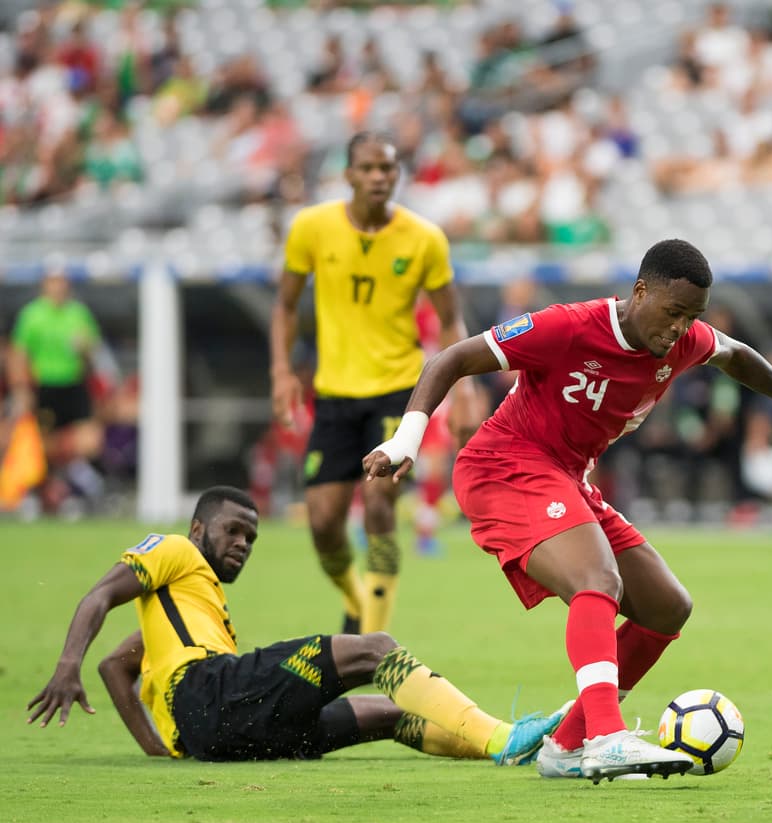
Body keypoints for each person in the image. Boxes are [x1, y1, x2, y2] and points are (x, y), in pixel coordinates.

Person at [363, 238, 772, 783]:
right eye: (672, 312)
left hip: (566, 477)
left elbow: (736, 355)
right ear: (640, 292)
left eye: (693, 317)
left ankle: (566, 747)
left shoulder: (684, 340)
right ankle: (607, 737)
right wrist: (407, 438)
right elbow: (451, 358)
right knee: (597, 578)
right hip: (505, 466)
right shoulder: (567, 326)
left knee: (667, 607)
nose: (681, 329)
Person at [27, 485, 565, 763]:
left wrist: (161, 748)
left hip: (221, 730)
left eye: (251, 539)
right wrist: (65, 665)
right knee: (372, 648)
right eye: (233, 531)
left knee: (383, 714)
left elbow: (117, 667)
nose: (242, 544)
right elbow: (99, 596)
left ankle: (527, 751)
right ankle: (500, 737)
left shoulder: (190, 607)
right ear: (197, 528)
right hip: (211, 692)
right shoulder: (172, 550)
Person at [270, 131, 481, 635]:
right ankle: (358, 600)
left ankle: (373, 639)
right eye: (368, 168)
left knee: (382, 500)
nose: (379, 177)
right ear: (348, 174)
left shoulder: (424, 237)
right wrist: (280, 371)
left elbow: (451, 321)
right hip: (336, 392)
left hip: (397, 389)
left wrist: (466, 390)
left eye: (388, 168)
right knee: (323, 522)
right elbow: (283, 306)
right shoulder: (311, 228)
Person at [7, 269, 112, 514]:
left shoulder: (78, 313)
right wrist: (22, 389)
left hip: (74, 385)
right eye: (54, 282)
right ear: (45, 285)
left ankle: (71, 487)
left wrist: (84, 348)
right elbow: (19, 354)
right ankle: (50, 492)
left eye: (62, 282)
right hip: (45, 386)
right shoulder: (32, 315)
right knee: (41, 444)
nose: (58, 288)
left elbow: (92, 351)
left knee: (89, 440)